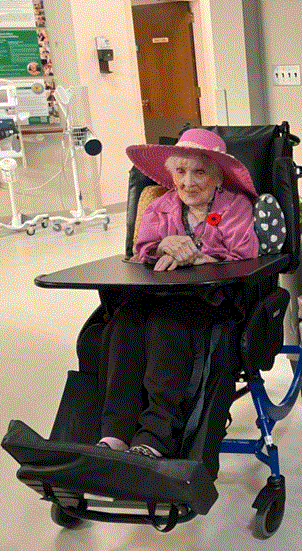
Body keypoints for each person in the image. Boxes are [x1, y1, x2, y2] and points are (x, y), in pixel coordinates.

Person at [96, 128, 264, 458]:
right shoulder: (160, 207)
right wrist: (162, 244)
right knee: (123, 322)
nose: (188, 182)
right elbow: (141, 250)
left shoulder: (234, 207)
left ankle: (155, 436)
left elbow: (245, 254)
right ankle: (114, 432)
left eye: (199, 171)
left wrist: (202, 258)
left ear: (218, 177)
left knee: (164, 323)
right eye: (181, 172)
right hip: (154, 293)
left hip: (205, 298)